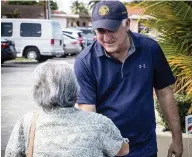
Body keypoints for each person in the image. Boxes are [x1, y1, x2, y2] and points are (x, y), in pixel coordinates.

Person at [74, 1, 183, 157]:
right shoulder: (85, 62)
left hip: (145, 149)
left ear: (126, 24)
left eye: (112, 29)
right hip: (107, 152)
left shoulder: (150, 49)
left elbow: (165, 93)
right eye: (100, 31)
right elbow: (89, 115)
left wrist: (177, 138)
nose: (106, 37)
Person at [5, 62, 129, 157]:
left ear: (38, 92)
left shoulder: (28, 122)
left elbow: (12, 154)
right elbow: (123, 150)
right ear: (75, 91)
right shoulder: (99, 123)